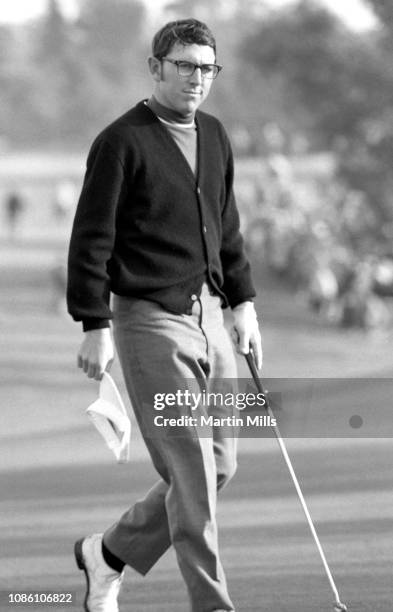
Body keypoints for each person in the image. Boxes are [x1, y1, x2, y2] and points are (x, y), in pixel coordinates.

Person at [67, 18, 262, 612]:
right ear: (155, 68)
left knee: (220, 463)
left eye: (207, 67)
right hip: (148, 323)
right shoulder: (121, 141)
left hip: (209, 320)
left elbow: (225, 228)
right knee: (194, 478)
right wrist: (94, 325)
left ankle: (108, 554)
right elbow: (91, 239)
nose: (197, 78)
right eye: (184, 65)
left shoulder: (216, 134)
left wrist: (244, 303)